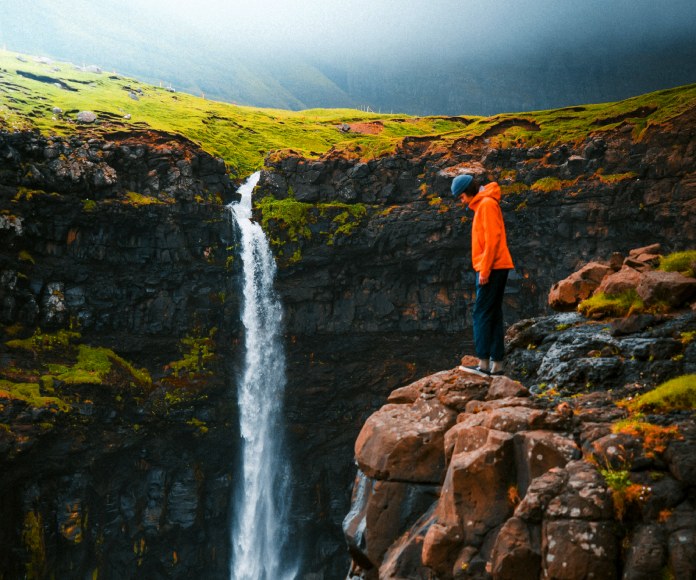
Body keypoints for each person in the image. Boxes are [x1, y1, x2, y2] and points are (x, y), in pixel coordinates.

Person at [451, 173, 514, 377]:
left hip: (492, 268)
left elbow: (492, 239)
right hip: (496, 266)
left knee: (481, 314)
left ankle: (483, 364)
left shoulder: (486, 204)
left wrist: (484, 270)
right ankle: (496, 365)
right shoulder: (486, 203)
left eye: (461, 197)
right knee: (493, 313)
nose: (462, 201)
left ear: (467, 192)